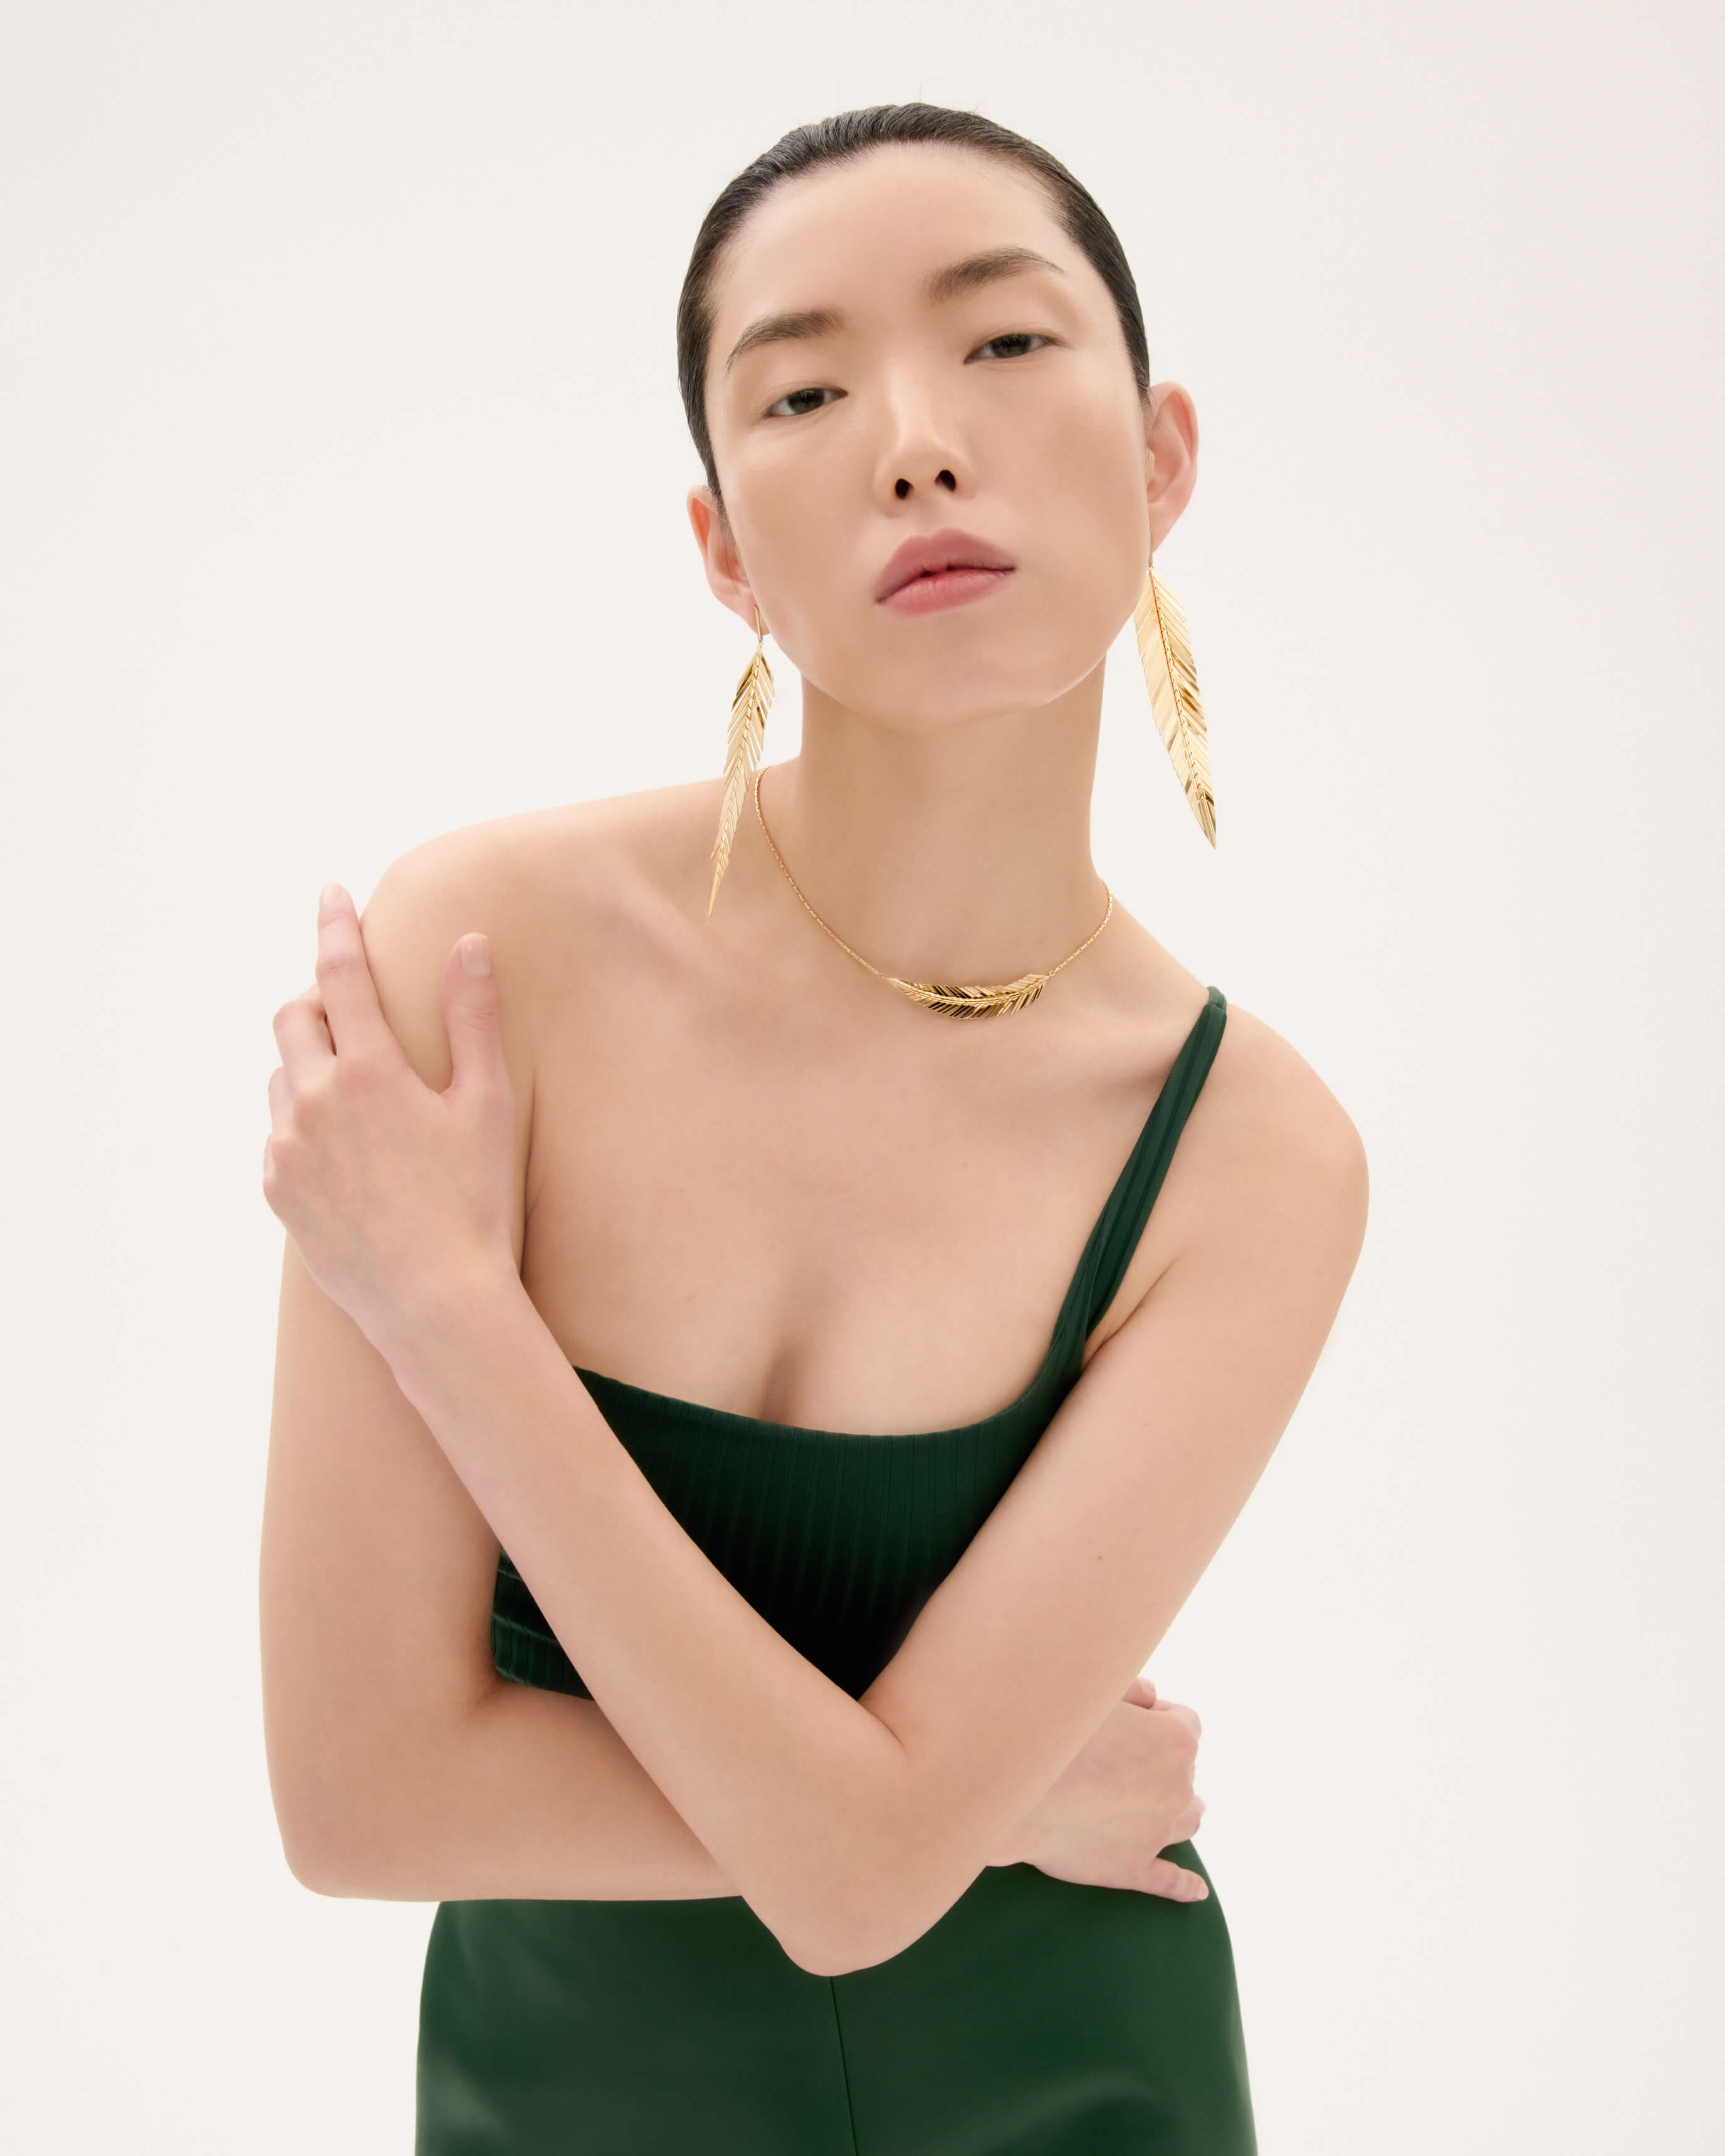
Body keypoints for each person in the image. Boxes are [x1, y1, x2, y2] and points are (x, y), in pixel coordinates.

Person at [260, 102, 1368, 2155]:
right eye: (803, 391)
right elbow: (356, 1797)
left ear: (1161, 459)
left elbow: (859, 1887)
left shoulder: (1249, 1155)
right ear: (723, 553)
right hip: (561, 2105)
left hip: (1077, 2083)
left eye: (1006, 341)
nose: (917, 443)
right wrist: (963, 1805)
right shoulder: (483, 962)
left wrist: (452, 1311)